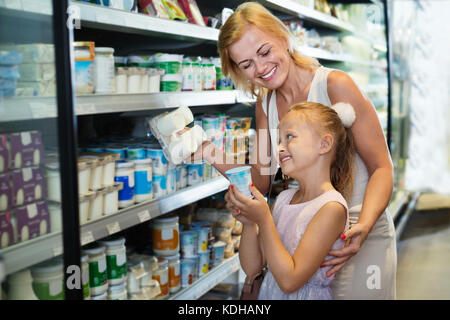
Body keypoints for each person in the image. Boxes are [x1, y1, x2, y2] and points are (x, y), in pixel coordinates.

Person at [193, 2, 396, 299]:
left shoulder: (334, 85)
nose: (260, 68)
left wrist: (363, 226)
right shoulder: (265, 107)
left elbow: (381, 168)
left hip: (357, 232)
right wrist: (207, 151)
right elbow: (260, 182)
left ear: (283, 38)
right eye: (246, 64)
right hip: (307, 238)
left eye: (264, 52)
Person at [228, 101, 353, 299]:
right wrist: (250, 223)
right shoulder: (285, 198)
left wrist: (264, 219)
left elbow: (290, 281)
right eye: (278, 140)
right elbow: (253, 268)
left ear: (324, 144)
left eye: (289, 137)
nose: (279, 148)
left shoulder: (331, 208)